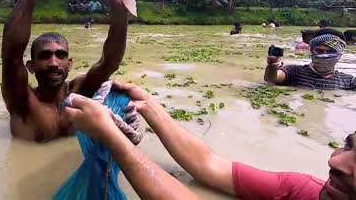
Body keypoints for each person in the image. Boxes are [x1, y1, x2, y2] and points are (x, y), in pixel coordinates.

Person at [63, 81, 356, 200]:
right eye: (349, 145)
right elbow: (209, 165)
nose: (336, 161)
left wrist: (113, 138)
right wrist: (149, 105)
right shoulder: (305, 191)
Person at [1, 0, 133, 142]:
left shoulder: (80, 93)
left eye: (60, 55)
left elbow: (109, 62)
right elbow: (11, 56)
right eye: (45, 56)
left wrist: (119, 10)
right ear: (31, 66)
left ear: (69, 64)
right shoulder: (22, 101)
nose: (54, 63)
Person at [265, 29, 355, 90]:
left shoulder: (348, 81)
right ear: (312, 51)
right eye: (319, 51)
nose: (324, 55)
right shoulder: (295, 71)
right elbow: (272, 78)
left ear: (339, 55)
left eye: (330, 51)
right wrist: (272, 66)